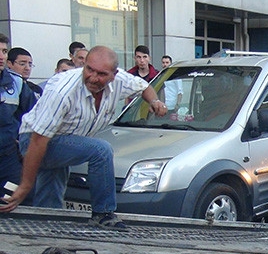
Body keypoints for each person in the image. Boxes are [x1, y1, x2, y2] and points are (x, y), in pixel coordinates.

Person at [0, 46, 167, 230]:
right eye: (89, 70)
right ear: (84, 65)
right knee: (100, 150)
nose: (93, 78)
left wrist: (154, 101)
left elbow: (144, 86)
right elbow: (39, 140)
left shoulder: (121, 80)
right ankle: (103, 214)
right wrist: (25, 186)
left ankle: (45, 229)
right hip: (34, 140)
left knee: (49, 205)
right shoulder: (63, 91)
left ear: (114, 75)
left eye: (101, 74)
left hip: (62, 137)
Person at [0, 34, 37, 201]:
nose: (1, 56)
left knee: (13, 202)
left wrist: (23, 144)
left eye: (4, 51)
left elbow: (35, 117)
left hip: (8, 157)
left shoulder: (17, 83)